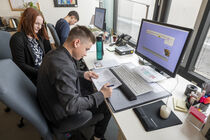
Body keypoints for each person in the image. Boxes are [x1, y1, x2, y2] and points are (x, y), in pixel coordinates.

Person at [37, 25, 112, 140]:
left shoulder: (55, 54)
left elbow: (63, 73)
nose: (86, 54)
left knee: (89, 87)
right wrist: (101, 94)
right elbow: (72, 106)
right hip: (61, 116)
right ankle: (97, 137)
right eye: (86, 49)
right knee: (107, 105)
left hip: (51, 104)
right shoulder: (64, 67)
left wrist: (83, 74)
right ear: (76, 43)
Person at [10, 8, 51, 85]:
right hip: (32, 77)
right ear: (27, 21)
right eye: (36, 23)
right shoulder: (17, 39)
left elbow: (48, 53)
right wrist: (42, 73)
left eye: (41, 24)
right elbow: (20, 65)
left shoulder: (38, 36)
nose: (39, 27)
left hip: (43, 72)